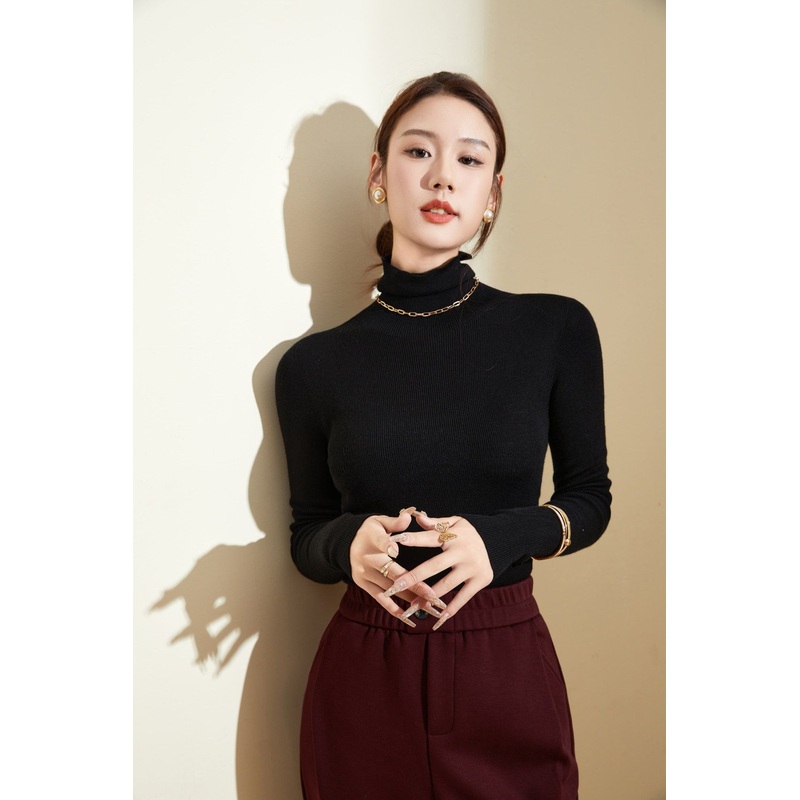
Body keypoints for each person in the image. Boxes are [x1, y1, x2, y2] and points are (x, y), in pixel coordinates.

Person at [275, 71, 611, 800]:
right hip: (363, 676)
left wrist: (498, 539)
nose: (442, 177)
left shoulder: (554, 329)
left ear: (492, 192)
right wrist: (349, 541)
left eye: (469, 159)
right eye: (418, 151)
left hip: (504, 668)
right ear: (378, 174)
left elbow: (589, 501)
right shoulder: (312, 367)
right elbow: (306, 537)